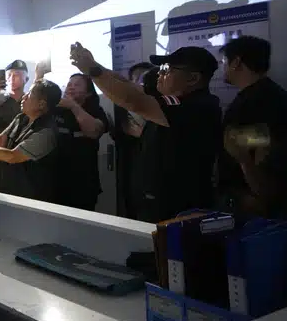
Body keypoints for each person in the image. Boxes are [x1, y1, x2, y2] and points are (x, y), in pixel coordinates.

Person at [69, 43, 222, 223]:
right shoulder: (177, 102)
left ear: (193, 78)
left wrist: (92, 70)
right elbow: (129, 86)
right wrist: (94, 65)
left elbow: (133, 100)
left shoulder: (195, 105)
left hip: (177, 209)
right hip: (157, 203)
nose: (160, 74)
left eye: (167, 70)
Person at [218, 35, 287, 217]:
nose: (222, 68)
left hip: (255, 201)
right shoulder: (266, 94)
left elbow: (264, 147)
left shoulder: (260, 100)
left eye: (224, 62)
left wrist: (256, 194)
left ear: (236, 62)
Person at [0, 79, 63, 203]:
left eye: (29, 94)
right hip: (7, 190)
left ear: (41, 104)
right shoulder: (21, 118)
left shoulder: (46, 132)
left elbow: (12, 156)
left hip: (29, 198)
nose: (24, 97)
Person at [53, 73, 109, 211]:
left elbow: (93, 132)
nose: (71, 87)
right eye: (69, 85)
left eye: (77, 85)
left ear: (88, 93)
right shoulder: (57, 110)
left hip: (83, 183)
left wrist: (74, 106)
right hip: (55, 181)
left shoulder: (96, 111)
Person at [112, 62, 155, 217]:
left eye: (144, 79)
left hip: (153, 171)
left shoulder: (162, 108)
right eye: (135, 79)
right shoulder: (120, 107)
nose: (139, 83)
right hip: (128, 164)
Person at [0, 60, 30, 133]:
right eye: (8, 75)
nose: (11, 78)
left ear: (26, 79)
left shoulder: (29, 101)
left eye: (16, 75)